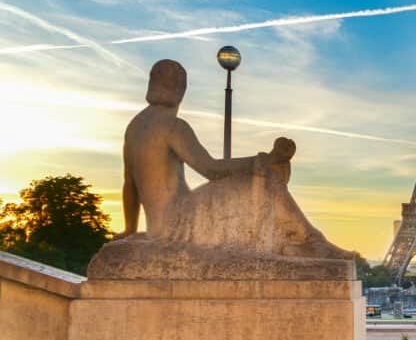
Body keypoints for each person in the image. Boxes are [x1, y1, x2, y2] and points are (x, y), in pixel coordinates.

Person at [116, 59, 351, 259]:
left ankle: (297, 242)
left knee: (257, 180)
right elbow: (210, 169)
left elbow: (130, 184)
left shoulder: (135, 128)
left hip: (157, 227)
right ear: (180, 91)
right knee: (262, 180)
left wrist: (130, 229)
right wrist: (262, 161)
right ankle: (311, 242)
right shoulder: (173, 127)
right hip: (180, 220)